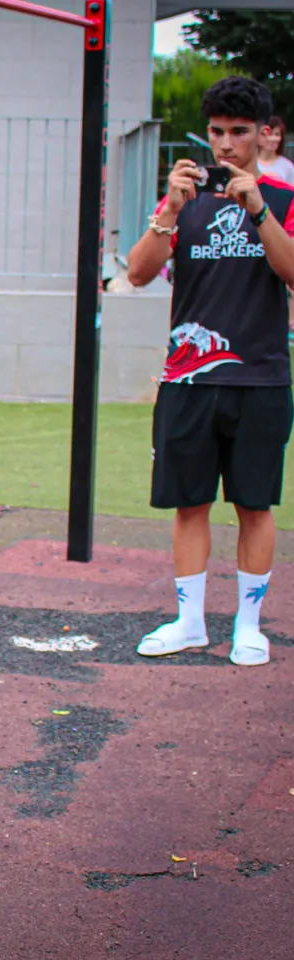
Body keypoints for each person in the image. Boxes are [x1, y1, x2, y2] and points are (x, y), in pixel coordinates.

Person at [125, 77, 294, 667]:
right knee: (189, 503)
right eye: (217, 132)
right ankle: (190, 621)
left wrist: (258, 209)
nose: (226, 145)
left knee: (254, 504)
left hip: (262, 375)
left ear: (263, 135)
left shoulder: (283, 195)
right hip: (188, 378)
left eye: (239, 133)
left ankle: (249, 625)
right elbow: (139, 272)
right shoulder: (184, 197)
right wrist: (170, 208)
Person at [258, 114, 294, 185]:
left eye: (277, 134)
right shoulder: (249, 162)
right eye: (270, 134)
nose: (273, 139)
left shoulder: (288, 166)